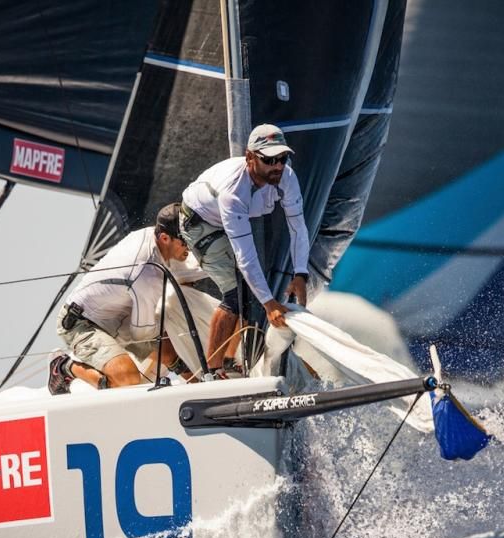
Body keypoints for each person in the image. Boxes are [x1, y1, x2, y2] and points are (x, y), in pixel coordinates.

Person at [180, 123, 309, 376]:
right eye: (270, 159)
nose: (278, 166)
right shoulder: (233, 192)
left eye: (283, 158)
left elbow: (298, 227)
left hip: (228, 219)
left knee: (253, 289)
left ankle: (230, 362)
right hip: (200, 223)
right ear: (250, 158)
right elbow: (245, 257)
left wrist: (301, 273)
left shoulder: (287, 177)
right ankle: (212, 372)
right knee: (235, 291)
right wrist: (270, 303)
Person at [48, 203, 202, 393]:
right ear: (164, 238)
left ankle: (200, 385)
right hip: (80, 324)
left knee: (168, 349)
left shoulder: (153, 235)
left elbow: (190, 267)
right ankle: (63, 367)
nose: (189, 245)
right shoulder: (146, 273)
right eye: (185, 241)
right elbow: (141, 335)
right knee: (127, 378)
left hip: (116, 314)